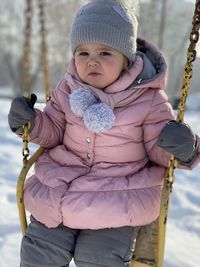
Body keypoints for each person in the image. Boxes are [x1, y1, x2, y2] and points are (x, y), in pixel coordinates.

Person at [8, 0, 200, 266]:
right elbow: (52, 129)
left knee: (98, 258)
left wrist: (182, 148)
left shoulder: (148, 99)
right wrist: (30, 122)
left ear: (127, 59)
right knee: (40, 254)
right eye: (83, 53)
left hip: (118, 198)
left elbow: (161, 152)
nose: (92, 62)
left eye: (105, 53)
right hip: (60, 191)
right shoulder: (68, 88)